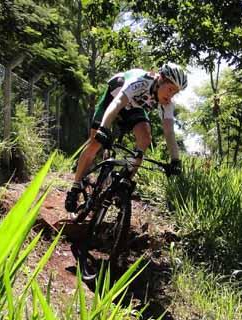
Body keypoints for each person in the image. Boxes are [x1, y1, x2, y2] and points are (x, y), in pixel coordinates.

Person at [65, 63, 188, 213]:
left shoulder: (167, 103)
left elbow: (169, 132)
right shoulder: (141, 81)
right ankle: (76, 186)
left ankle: (124, 183)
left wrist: (175, 160)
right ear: (160, 79)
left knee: (145, 139)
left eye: (175, 93)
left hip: (133, 107)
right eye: (170, 89)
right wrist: (104, 128)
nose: (171, 96)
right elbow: (117, 103)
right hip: (114, 97)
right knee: (95, 142)